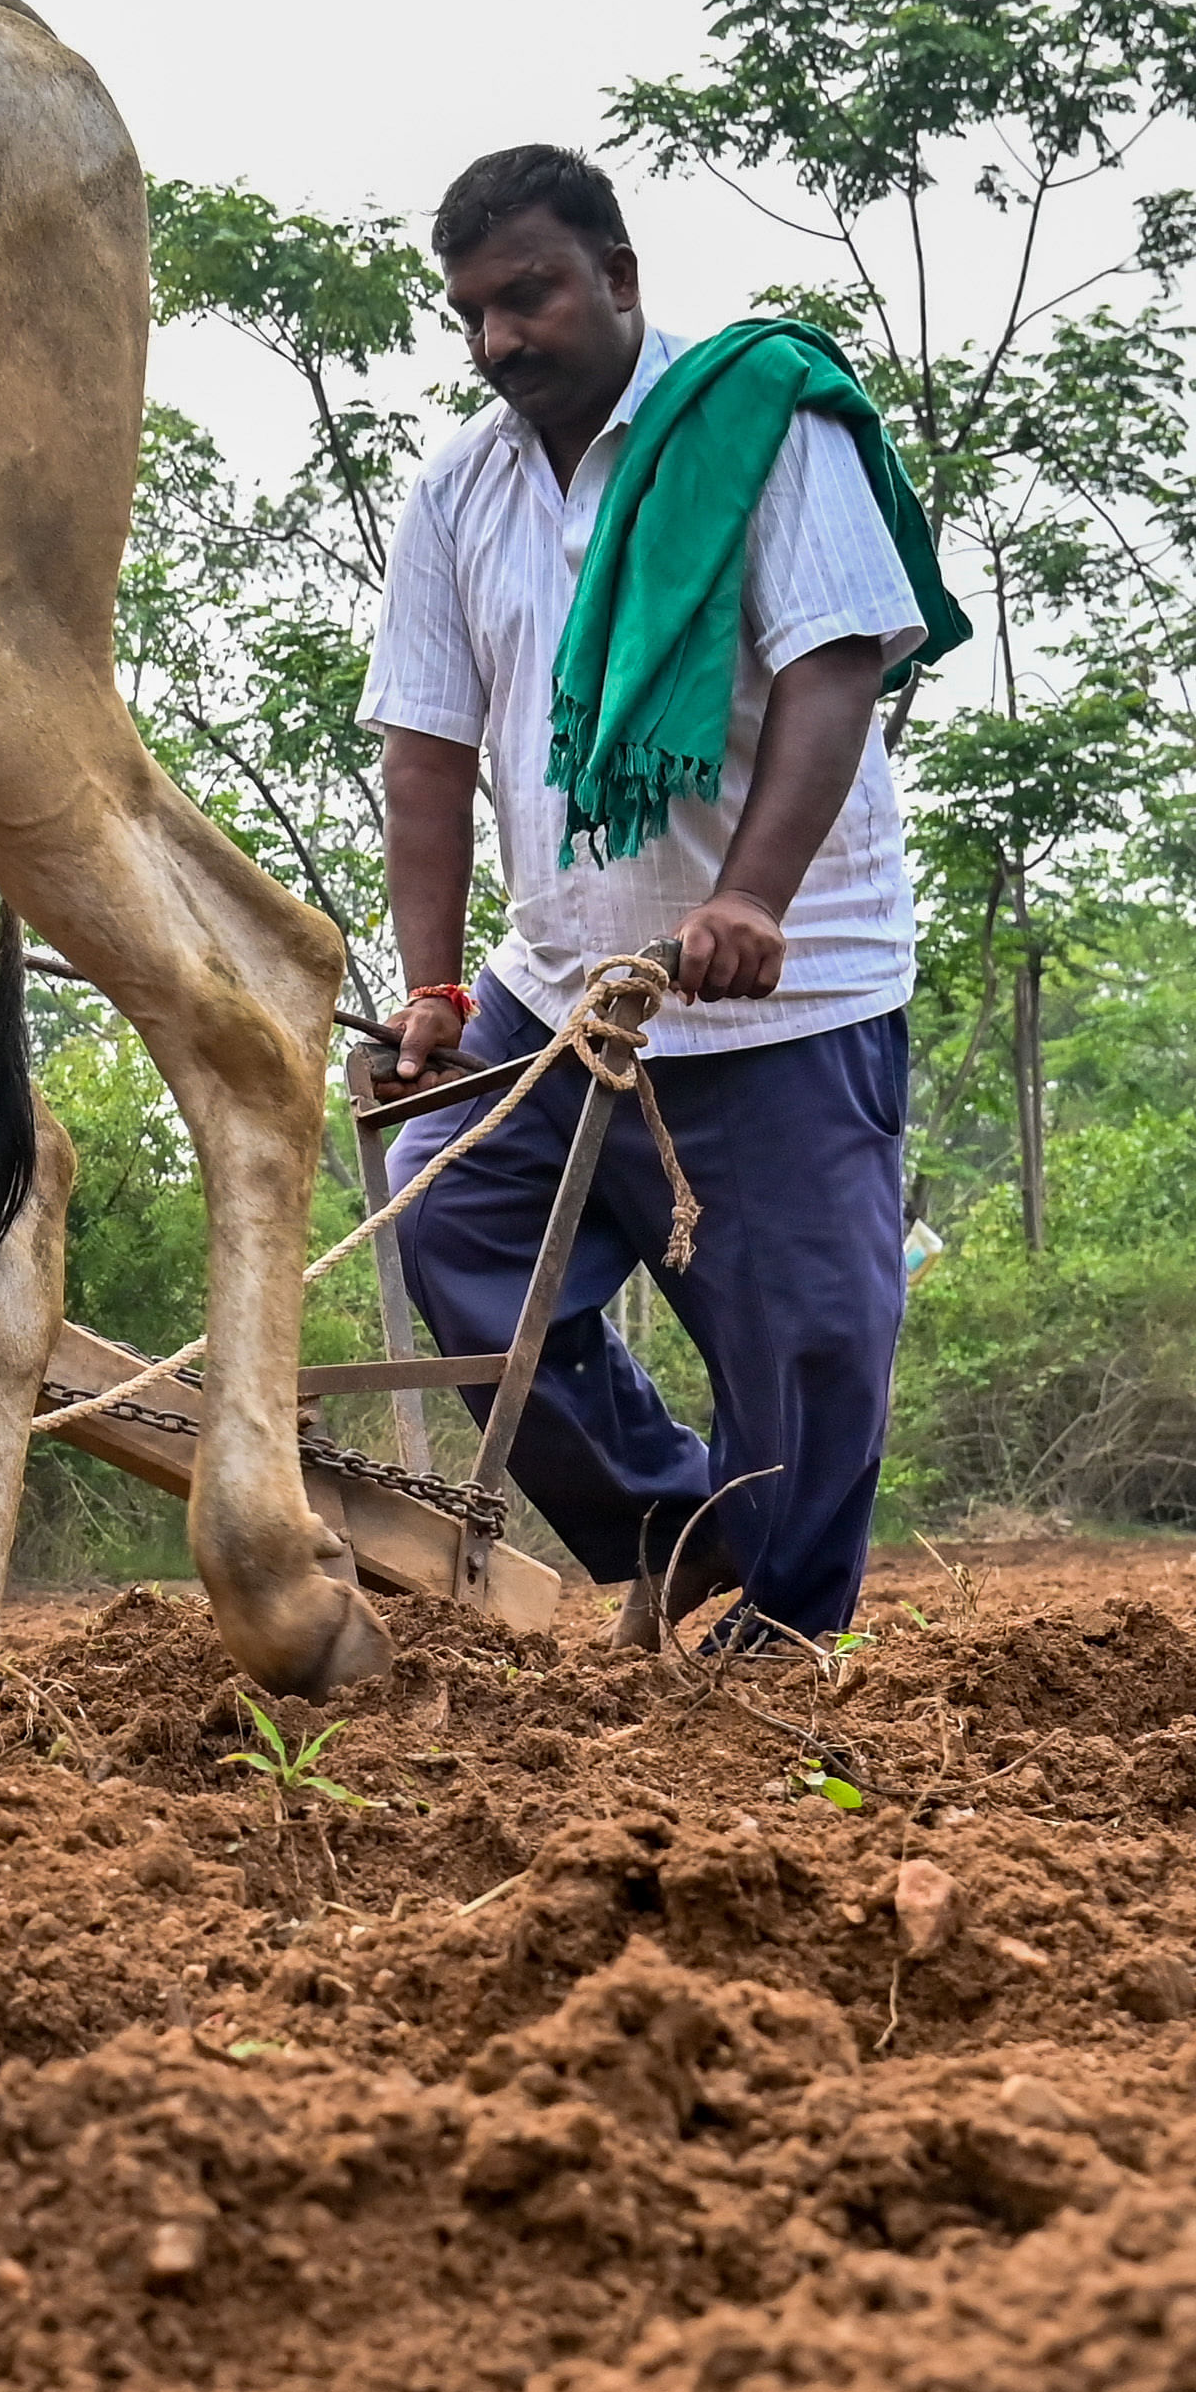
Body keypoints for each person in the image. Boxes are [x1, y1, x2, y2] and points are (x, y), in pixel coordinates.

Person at [355, 143, 964, 1659]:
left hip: (782, 987)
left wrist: (751, 896)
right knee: (452, 1224)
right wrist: (431, 989)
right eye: (473, 313)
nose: (500, 339)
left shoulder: (758, 426)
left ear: (616, 280)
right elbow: (424, 754)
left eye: (531, 296)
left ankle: (782, 1640)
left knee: (808, 1349)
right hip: (558, 986)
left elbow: (832, 669)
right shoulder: (458, 487)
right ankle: (667, 1524)